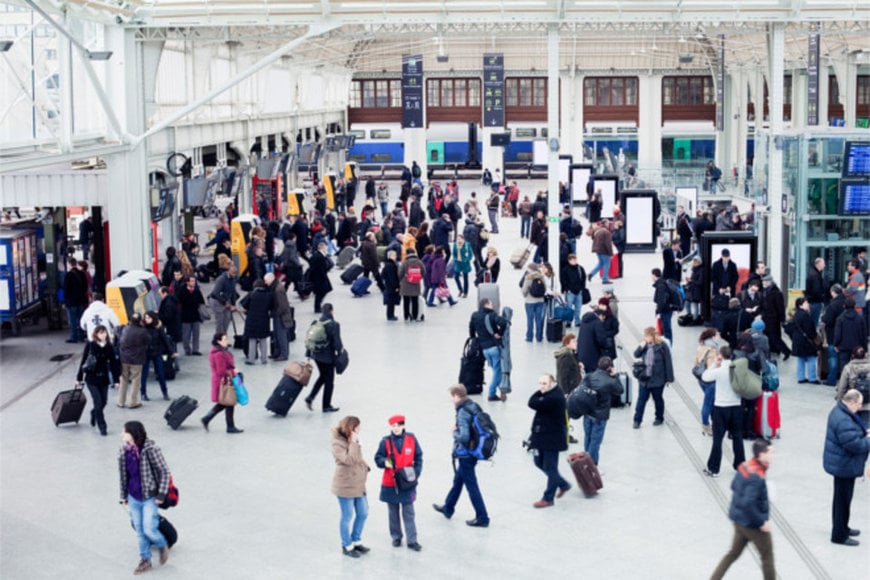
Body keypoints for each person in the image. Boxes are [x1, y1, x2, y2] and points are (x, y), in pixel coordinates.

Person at [710, 439, 776, 580]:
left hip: (738, 521)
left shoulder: (745, 466)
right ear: (761, 454)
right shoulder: (756, 476)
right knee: (767, 557)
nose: (773, 456)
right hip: (752, 524)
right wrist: (762, 522)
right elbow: (748, 503)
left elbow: (734, 485)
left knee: (733, 553)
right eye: (770, 452)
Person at [433, 384, 490, 527]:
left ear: (457, 396)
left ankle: (482, 517)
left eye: (451, 397)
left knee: (472, 486)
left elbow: (464, 436)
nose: (451, 400)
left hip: (466, 454)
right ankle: (448, 507)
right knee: (458, 481)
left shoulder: (463, 411)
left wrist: (454, 431)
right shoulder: (473, 405)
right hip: (473, 451)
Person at [118, 420, 171, 575]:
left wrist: (161, 494)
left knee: (149, 528)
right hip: (133, 496)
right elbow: (123, 476)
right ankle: (145, 559)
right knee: (140, 530)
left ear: (133, 434)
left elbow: (164, 471)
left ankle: (162, 544)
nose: (122, 434)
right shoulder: (124, 451)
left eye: (124, 431)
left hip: (149, 497)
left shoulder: (151, 449)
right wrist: (123, 496)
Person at [823, 389, 870, 546]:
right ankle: (839, 535)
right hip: (843, 465)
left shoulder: (841, 412)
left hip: (843, 464)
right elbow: (854, 445)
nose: (860, 406)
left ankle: (843, 527)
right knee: (842, 500)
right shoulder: (843, 419)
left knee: (843, 499)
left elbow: (852, 435)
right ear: (850, 402)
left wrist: (864, 433)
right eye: (858, 403)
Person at [373, 415, 423, 551]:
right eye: (393, 426)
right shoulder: (385, 442)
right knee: (392, 512)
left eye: (398, 425)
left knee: (409, 511)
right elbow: (378, 458)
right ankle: (396, 537)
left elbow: (418, 457)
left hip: (408, 482)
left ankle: (412, 540)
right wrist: (384, 462)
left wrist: (416, 473)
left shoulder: (412, 439)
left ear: (403, 425)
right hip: (391, 483)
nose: (395, 429)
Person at [527, 374, 571, 507]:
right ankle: (562, 484)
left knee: (550, 467)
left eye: (544, 384)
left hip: (552, 438)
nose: (541, 386)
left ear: (552, 383)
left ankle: (548, 498)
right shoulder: (550, 393)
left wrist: (540, 393)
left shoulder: (554, 397)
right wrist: (542, 392)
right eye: (540, 383)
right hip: (542, 436)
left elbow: (532, 402)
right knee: (538, 462)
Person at [701, 345, 746, 477]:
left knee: (718, 439)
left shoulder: (719, 371)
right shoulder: (737, 369)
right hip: (736, 406)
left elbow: (705, 376)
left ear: (721, 355)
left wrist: (715, 363)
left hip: (721, 407)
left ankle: (714, 468)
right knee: (737, 437)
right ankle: (740, 465)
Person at [331, 415, 371, 558]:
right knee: (347, 516)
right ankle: (346, 545)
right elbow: (349, 460)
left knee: (363, 512)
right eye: (358, 427)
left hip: (358, 484)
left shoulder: (353, 439)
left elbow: (358, 458)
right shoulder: (337, 443)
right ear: (351, 428)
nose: (360, 430)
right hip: (345, 486)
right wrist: (354, 443)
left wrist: (366, 467)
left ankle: (356, 540)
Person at [76, 325, 120, 436]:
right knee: (98, 402)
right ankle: (102, 426)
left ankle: (94, 412)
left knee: (104, 401)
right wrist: (79, 378)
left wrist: (116, 380)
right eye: (101, 333)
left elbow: (114, 364)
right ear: (96, 334)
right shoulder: (90, 345)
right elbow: (83, 362)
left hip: (104, 378)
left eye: (105, 332)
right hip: (91, 378)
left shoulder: (109, 346)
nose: (103, 335)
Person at [580, 356, 624, 465]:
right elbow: (620, 390)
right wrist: (615, 376)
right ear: (610, 368)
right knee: (595, 441)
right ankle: (589, 463)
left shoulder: (589, 376)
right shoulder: (610, 381)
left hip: (587, 412)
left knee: (588, 438)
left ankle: (591, 461)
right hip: (600, 416)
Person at [632, 326, 674, 429]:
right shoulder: (644, 346)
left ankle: (659, 417)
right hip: (645, 378)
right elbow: (636, 355)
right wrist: (640, 346)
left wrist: (669, 378)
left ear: (653, 336)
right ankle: (637, 420)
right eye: (645, 336)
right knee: (641, 400)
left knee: (658, 399)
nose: (645, 338)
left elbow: (668, 362)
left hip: (658, 378)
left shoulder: (662, 346)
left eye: (647, 336)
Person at [304, 303, 343, 413]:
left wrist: (308, 355)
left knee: (322, 377)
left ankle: (310, 397)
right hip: (328, 357)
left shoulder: (315, 323)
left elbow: (310, 339)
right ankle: (326, 405)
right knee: (329, 381)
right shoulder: (334, 324)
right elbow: (337, 343)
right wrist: (340, 353)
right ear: (332, 311)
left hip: (316, 356)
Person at [201, 333, 243, 433]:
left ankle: (209, 419)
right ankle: (229, 426)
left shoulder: (217, 351)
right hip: (224, 381)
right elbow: (221, 371)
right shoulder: (219, 354)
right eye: (224, 339)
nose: (226, 341)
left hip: (222, 381)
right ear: (218, 341)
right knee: (228, 402)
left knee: (226, 402)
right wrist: (234, 372)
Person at [469, 298, 508, 402]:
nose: (493, 305)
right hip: (494, 347)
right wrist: (499, 334)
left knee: (495, 370)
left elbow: (471, 329)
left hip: (484, 349)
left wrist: (474, 339)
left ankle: (499, 389)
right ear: (486, 304)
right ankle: (492, 393)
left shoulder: (475, 315)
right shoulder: (492, 315)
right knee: (497, 371)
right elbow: (504, 323)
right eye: (491, 303)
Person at [694, 327, 723, 436]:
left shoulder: (701, 347)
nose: (719, 337)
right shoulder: (712, 350)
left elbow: (696, 362)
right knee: (708, 403)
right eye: (717, 335)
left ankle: (713, 423)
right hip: (710, 381)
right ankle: (706, 425)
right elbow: (712, 368)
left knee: (710, 402)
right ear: (712, 337)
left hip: (701, 379)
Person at [140, 311, 175, 401]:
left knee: (160, 373)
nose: (146, 320)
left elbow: (165, 340)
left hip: (157, 352)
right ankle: (143, 393)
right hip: (146, 353)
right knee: (144, 374)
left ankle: (165, 392)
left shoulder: (158, 328)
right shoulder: (143, 329)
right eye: (145, 318)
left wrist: (171, 351)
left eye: (148, 318)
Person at [118, 313, 151, 409]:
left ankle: (121, 401)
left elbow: (120, 342)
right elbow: (148, 341)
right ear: (140, 321)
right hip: (136, 359)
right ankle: (132, 402)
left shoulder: (125, 329)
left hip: (124, 358)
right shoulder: (142, 331)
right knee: (135, 380)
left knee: (124, 379)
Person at [789, 297, 820, 384]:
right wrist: (814, 337)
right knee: (811, 358)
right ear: (800, 305)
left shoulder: (796, 314)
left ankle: (801, 377)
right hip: (806, 341)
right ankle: (812, 378)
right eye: (806, 303)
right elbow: (810, 330)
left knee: (801, 359)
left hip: (798, 340)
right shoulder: (805, 316)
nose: (808, 305)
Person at [834, 298, 868, 376]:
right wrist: (865, 348)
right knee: (857, 367)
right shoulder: (860, 318)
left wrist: (836, 344)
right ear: (854, 306)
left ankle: (844, 383)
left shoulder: (840, 318)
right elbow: (864, 335)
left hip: (843, 346)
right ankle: (855, 382)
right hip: (857, 347)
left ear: (844, 306)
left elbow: (838, 334)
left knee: (844, 366)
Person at [837, 347, 870, 425]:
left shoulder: (848, 368)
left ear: (852, 356)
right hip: (868, 405)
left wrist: (839, 401)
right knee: (866, 430)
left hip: (852, 404)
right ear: (865, 355)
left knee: (852, 428)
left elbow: (842, 387)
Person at [760, 274, 790, 359]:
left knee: (775, 337)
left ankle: (786, 351)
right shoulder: (764, 291)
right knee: (767, 336)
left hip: (774, 319)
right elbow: (762, 304)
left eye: (765, 281)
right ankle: (773, 350)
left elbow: (781, 307)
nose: (763, 283)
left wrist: (782, 319)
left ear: (770, 282)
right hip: (765, 318)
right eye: (763, 281)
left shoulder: (776, 293)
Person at [823, 284, 847, 384]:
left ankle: (832, 379)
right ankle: (844, 380)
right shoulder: (846, 302)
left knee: (833, 357)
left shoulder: (833, 305)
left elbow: (827, 319)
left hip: (833, 334)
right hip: (846, 335)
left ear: (833, 292)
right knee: (844, 359)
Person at [266, 273, 293, 362]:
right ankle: (277, 353)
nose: (265, 283)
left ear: (270, 279)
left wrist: (276, 313)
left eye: (266, 280)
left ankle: (283, 354)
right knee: (277, 335)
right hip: (279, 315)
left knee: (281, 335)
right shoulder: (276, 287)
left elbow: (282, 305)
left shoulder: (278, 290)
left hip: (281, 316)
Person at [175, 275, 205, 356]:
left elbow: (201, 300)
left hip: (195, 315)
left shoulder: (196, 290)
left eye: (194, 281)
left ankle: (195, 349)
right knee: (186, 334)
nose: (193, 283)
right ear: (187, 282)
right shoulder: (182, 290)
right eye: (192, 281)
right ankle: (187, 349)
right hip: (186, 315)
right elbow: (178, 300)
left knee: (196, 333)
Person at [63, 257, 89, 343]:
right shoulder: (82, 274)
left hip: (71, 302)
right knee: (80, 319)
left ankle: (73, 337)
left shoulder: (68, 275)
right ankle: (81, 336)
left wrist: (65, 300)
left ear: (70, 264)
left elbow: (66, 289)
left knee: (72, 320)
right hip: (80, 300)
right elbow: (85, 287)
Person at [208, 265, 238, 336]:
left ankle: (223, 339)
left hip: (226, 299)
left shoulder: (233, 279)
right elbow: (216, 293)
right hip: (216, 301)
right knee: (220, 321)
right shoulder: (221, 279)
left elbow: (233, 292)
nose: (234, 275)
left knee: (227, 320)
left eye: (235, 273)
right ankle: (219, 341)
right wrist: (224, 303)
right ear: (229, 271)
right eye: (233, 273)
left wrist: (234, 304)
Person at [559, 253, 588, 327]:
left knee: (578, 307)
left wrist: (582, 288)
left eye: (575, 259)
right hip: (570, 291)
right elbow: (563, 280)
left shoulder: (580, 268)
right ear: (569, 260)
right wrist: (566, 289)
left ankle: (577, 321)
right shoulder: (565, 269)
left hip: (579, 291)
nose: (574, 261)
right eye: (572, 260)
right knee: (569, 307)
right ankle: (569, 321)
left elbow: (583, 278)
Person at [521, 263, 547, 342]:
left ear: (531, 269)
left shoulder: (528, 277)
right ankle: (539, 337)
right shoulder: (541, 277)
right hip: (540, 301)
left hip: (530, 301)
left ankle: (529, 337)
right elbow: (545, 288)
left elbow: (524, 290)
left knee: (530, 320)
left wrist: (525, 295)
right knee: (539, 319)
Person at [399, 248, 426, 322]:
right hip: (416, 284)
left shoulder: (405, 262)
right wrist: (419, 278)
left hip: (406, 284)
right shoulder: (419, 262)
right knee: (415, 301)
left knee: (406, 301)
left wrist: (400, 280)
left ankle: (406, 316)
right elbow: (424, 271)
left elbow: (400, 273)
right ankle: (414, 316)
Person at [651, 268, 675, 344]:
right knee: (666, 328)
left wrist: (658, 311)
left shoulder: (661, 285)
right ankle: (667, 345)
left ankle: (668, 346)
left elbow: (661, 300)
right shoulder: (662, 283)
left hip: (665, 310)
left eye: (651, 275)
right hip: (667, 309)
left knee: (666, 329)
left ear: (654, 275)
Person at [309, 241, 333, 314]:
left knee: (321, 292)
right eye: (326, 247)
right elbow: (321, 268)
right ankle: (317, 307)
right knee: (321, 292)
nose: (327, 249)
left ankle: (318, 306)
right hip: (319, 277)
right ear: (322, 247)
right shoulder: (319, 256)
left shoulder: (317, 255)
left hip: (318, 276)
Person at [805, 257, 828, 326]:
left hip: (813, 301)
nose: (825, 265)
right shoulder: (815, 275)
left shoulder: (814, 273)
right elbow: (816, 290)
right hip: (815, 302)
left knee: (812, 322)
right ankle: (813, 336)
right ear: (818, 264)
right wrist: (822, 295)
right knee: (813, 323)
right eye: (823, 263)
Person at [452, 234, 473, 299]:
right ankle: (461, 289)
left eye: (459, 239)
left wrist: (466, 260)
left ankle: (465, 292)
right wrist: (455, 259)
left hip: (465, 263)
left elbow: (470, 254)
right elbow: (454, 254)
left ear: (463, 239)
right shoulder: (455, 245)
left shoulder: (467, 245)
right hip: (458, 263)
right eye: (457, 239)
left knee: (465, 278)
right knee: (456, 277)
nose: (458, 240)